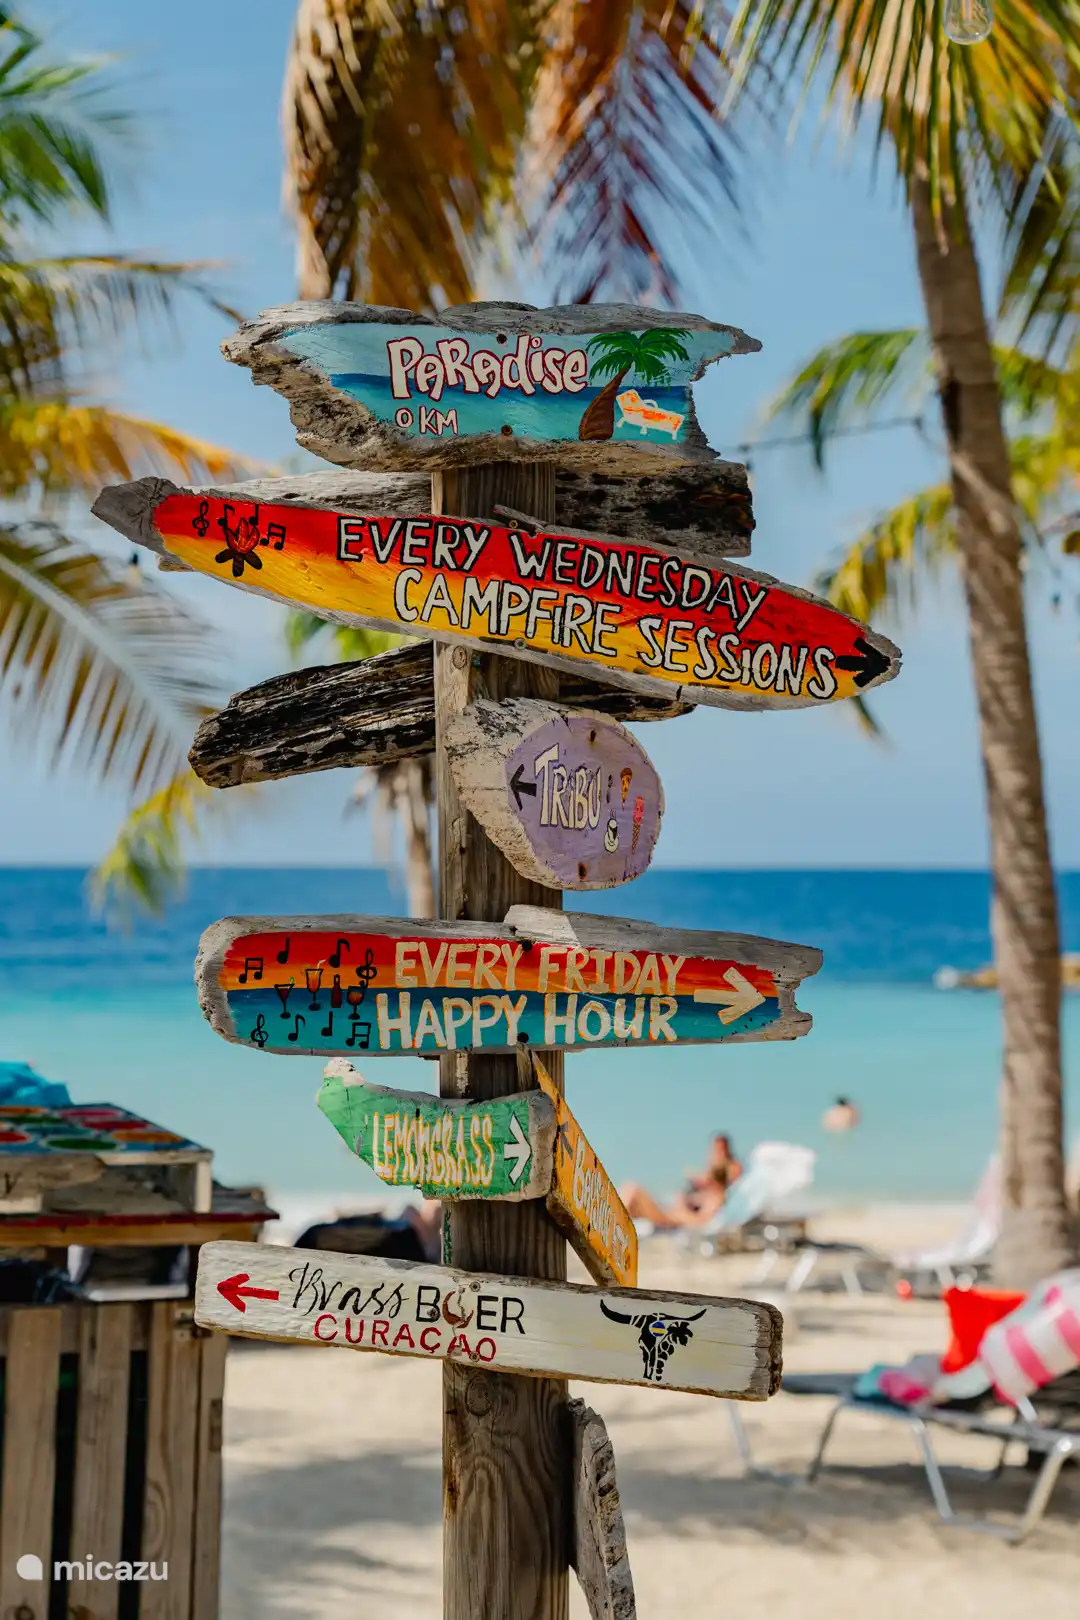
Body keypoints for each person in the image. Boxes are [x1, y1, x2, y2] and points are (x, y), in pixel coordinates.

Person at [622, 1134, 742, 1229]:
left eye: (720, 1150)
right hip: (672, 1214)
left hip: (672, 1219)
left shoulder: (718, 1197)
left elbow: (701, 1221)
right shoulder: (708, 1194)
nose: (717, 1154)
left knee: (633, 1189)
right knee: (631, 1196)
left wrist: (683, 1209)